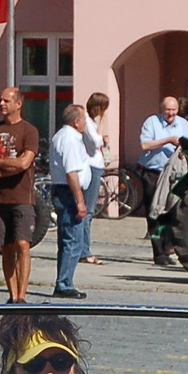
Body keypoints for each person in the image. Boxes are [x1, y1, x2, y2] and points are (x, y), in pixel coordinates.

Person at [0, 87, 41, 303]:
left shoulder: (29, 131)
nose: (2, 104)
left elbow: (24, 163)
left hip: (22, 198)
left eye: (6, 100)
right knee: (6, 247)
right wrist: (6, 167)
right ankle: (12, 295)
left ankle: (22, 295)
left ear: (18, 104)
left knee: (23, 244)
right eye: (0, 100)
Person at [139, 95, 188, 266]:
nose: (170, 113)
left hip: (174, 175)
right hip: (153, 173)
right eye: (167, 110)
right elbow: (145, 145)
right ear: (162, 109)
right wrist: (168, 140)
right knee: (154, 213)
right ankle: (158, 253)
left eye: (174, 110)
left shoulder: (183, 124)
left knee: (172, 213)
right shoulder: (151, 122)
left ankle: (168, 248)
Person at [47, 103, 90, 299]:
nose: (85, 123)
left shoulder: (61, 136)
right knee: (73, 239)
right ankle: (64, 283)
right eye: (84, 119)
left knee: (68, 239)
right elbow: (71, 172)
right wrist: (80, 201)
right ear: (76, 121)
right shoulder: (70, 139)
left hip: (64, 190)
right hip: (69, 192)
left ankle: (64, 280)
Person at [78, 92, 110, 265]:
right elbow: (97, 142)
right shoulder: (89, 123)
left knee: (89, 210)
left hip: (95, 165)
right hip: (92, 166)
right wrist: (102, 125)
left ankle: (83, 248)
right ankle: (84, 250)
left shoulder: (89, 122)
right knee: (88, 210)